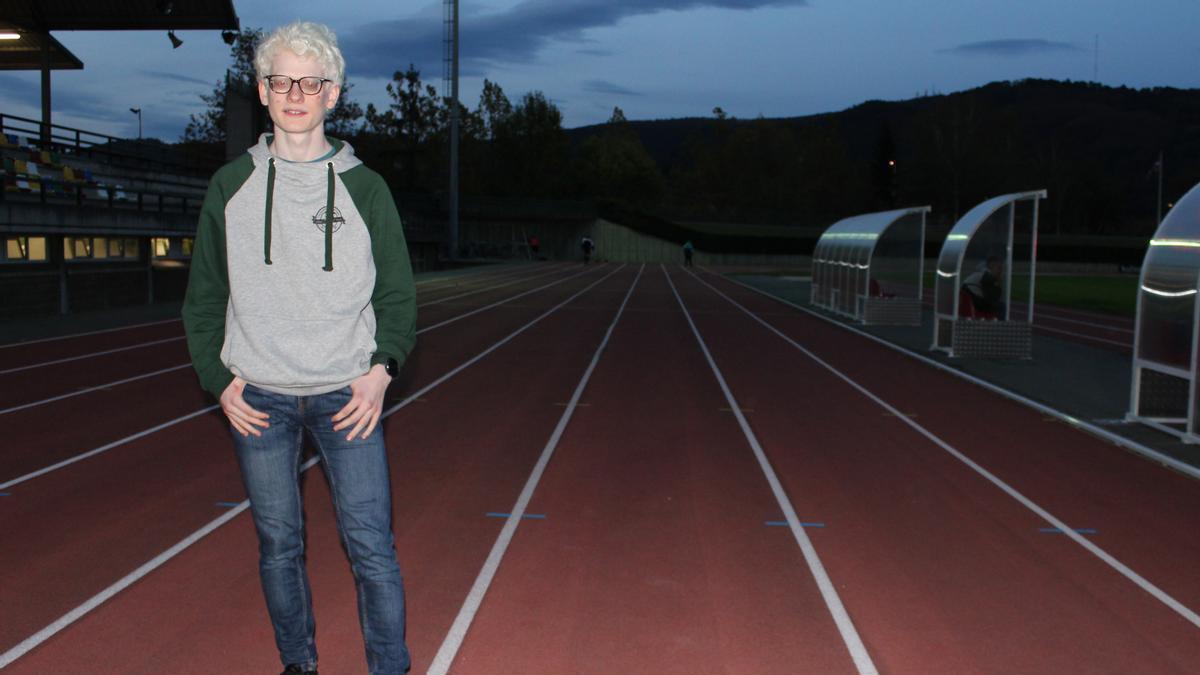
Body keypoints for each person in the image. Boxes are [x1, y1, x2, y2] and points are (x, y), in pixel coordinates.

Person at [181, 21, 415, 675]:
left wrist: (381, 370)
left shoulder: (367, 189)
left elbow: (397, 294)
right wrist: (217, 377)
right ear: (262, 90)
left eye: (310, 82)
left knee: (372, 547)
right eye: (281, 80)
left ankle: (390, 667)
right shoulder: (230, 186)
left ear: (332, 94)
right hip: (259, 395)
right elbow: (202, 297)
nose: (295, 93)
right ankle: (298, 663)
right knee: (278, 543)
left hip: (349, 394)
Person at [963, 255, 1005, 319]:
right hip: (975, 302)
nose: (1001, 271)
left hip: (970, 300)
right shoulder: (987, 276)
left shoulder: (981, 273)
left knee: (998, 305)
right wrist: (998, 283)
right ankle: (1000, 326)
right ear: (991, 265)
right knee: (1001, 306)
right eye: (999, 268)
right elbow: (992, 297)